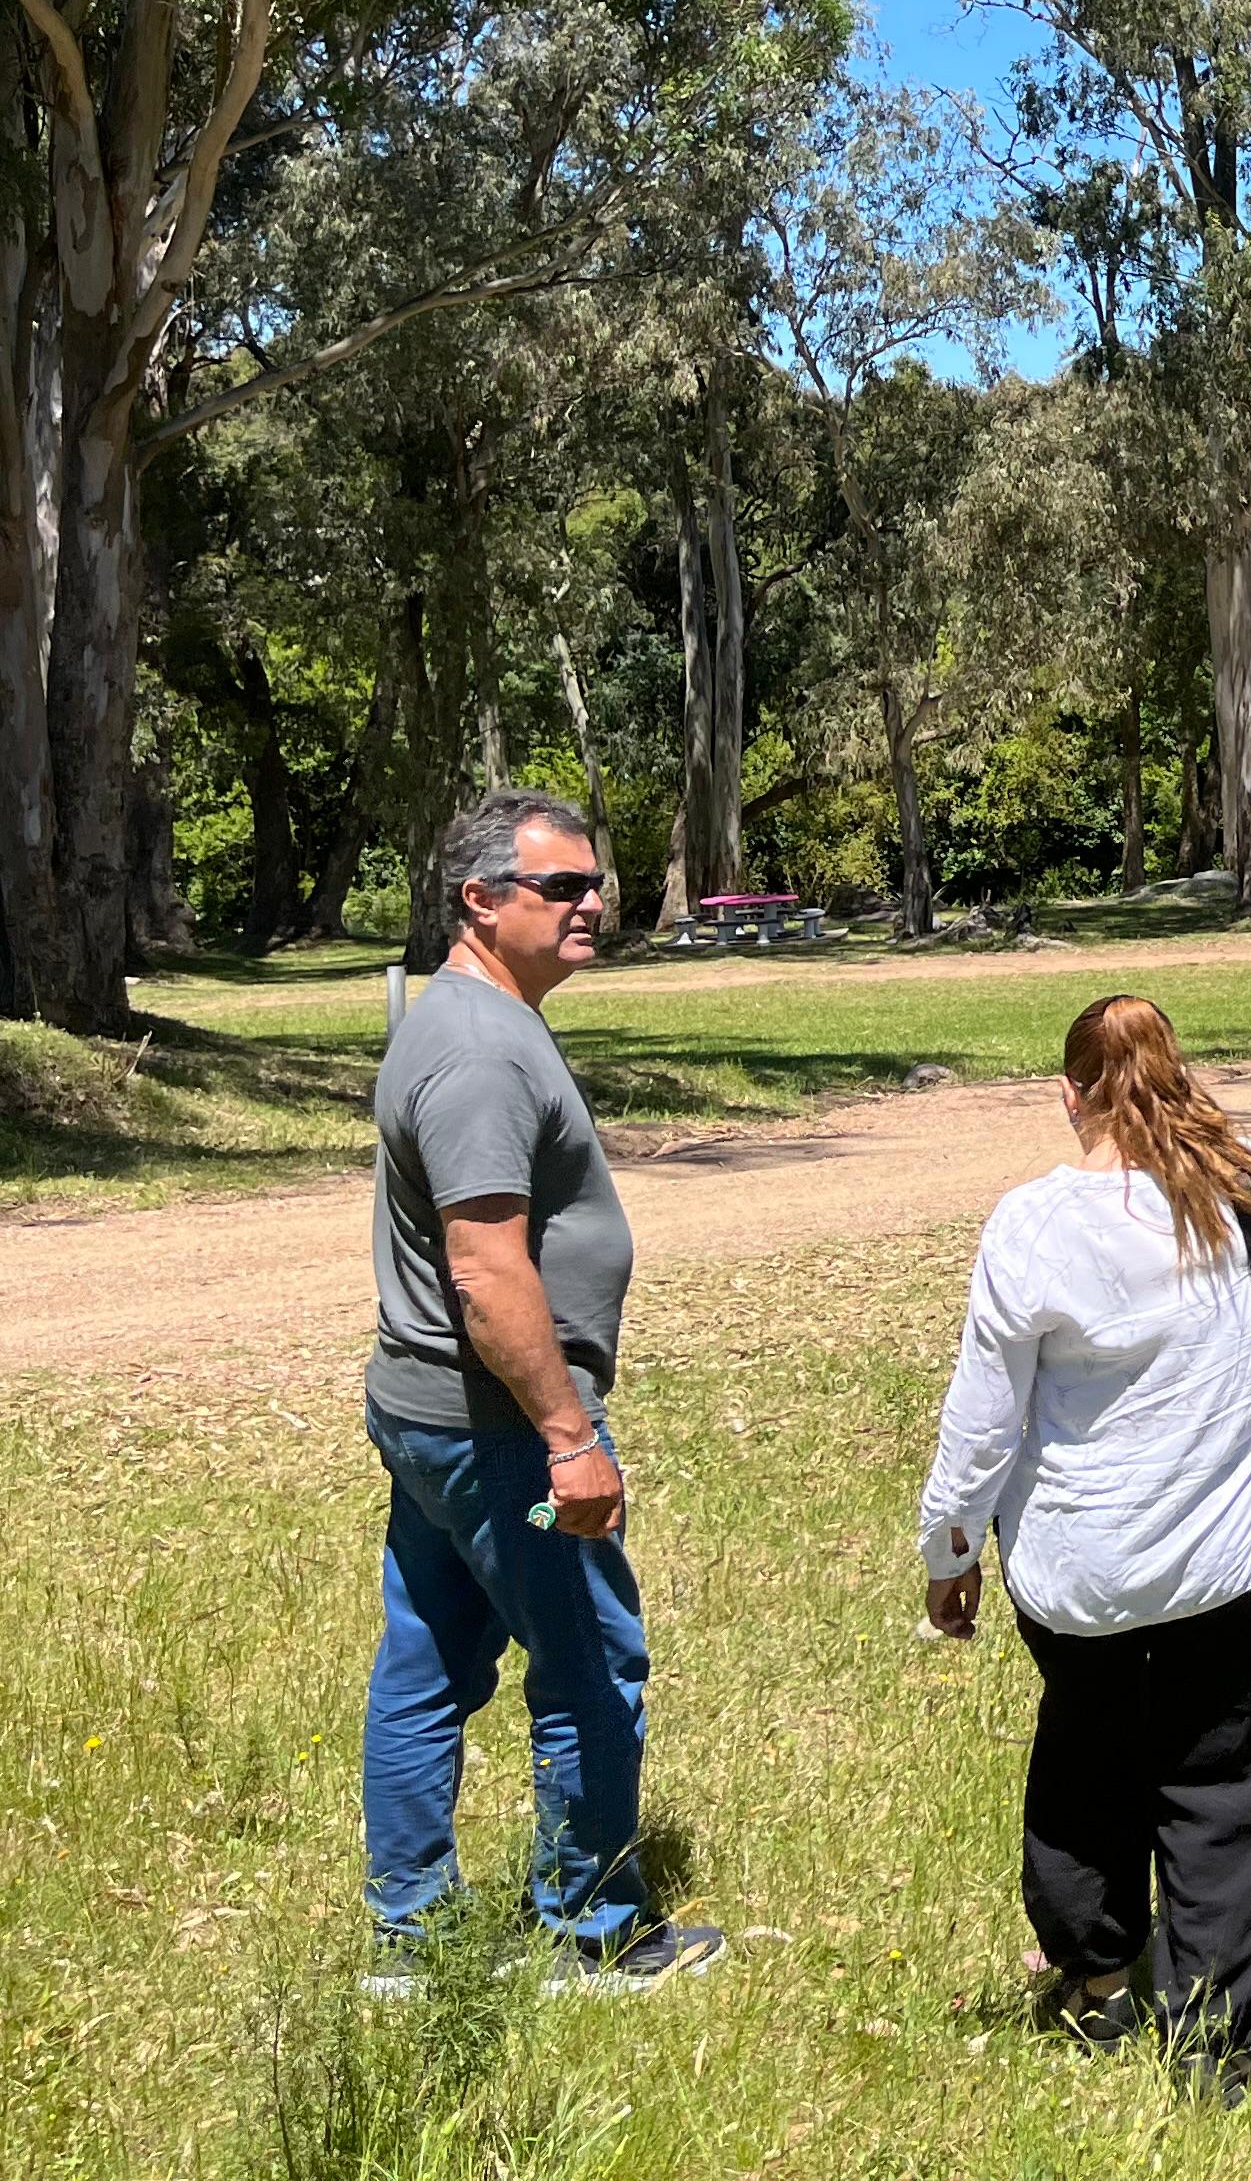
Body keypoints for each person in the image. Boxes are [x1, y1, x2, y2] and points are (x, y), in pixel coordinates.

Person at [918, 994, 1251, 2090]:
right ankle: (1216, 2049)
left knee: (1087, 1760)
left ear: (1067, 1098)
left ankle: (1096, 1979)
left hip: (1077, 1576)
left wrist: (950, 1552)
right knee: (1229, 1788)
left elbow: (982, 1421)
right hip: (1231, 1562)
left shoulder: (1029, 1224)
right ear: (1181, 1078)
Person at [362, 789, 721, 1988]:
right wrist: (568, 1435)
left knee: (426, 1666)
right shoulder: (473, 1049)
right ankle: (594, 1933)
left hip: (434, 1415)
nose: (592, 903)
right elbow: (483, 1264)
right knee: (588, 1660)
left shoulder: (471, 1014)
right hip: (502, 1430)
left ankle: (409, 1942)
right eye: (561, 887)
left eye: (595, 882)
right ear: (481, 901)